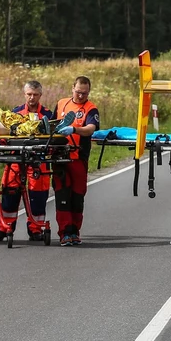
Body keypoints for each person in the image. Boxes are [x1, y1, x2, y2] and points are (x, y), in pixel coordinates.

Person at [0, 80, 54, 241]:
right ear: (24, 95)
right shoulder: (15, 113)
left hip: (39, 160)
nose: (32, 98)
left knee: (38, 196)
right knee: (9, 193)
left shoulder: (49, 115)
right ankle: (5, 228)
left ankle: (36, 229)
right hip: (15, 159)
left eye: (35, 95)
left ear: (40, 95)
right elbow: (5, 135)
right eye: (29, 94)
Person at [53, 76, 99, 246]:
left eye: (84, 93)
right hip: (60, 157)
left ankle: (75, 231)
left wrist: (74, 129)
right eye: (78, 92)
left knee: (77, 196)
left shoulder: (91, 109)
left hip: (79, 158)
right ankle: (64, 232)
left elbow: (90, 129)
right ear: (72, 88)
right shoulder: (61, 104)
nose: (81, 96)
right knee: (62, 194)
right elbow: (51, 124)